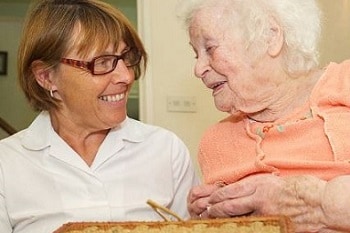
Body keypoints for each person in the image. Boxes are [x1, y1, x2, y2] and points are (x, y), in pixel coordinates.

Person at [0, 0, 199, 232]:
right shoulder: (6, 165)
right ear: (46, 77)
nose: (125, 76)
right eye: (102, 62)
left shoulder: (166, 150)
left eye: (126, 58)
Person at [178, 0, 350, 232]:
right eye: (194, 53)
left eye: (210, 48)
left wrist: (318, 202)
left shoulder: (344, 84)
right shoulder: (215, 142)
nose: (198, 69)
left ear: (270, 37)